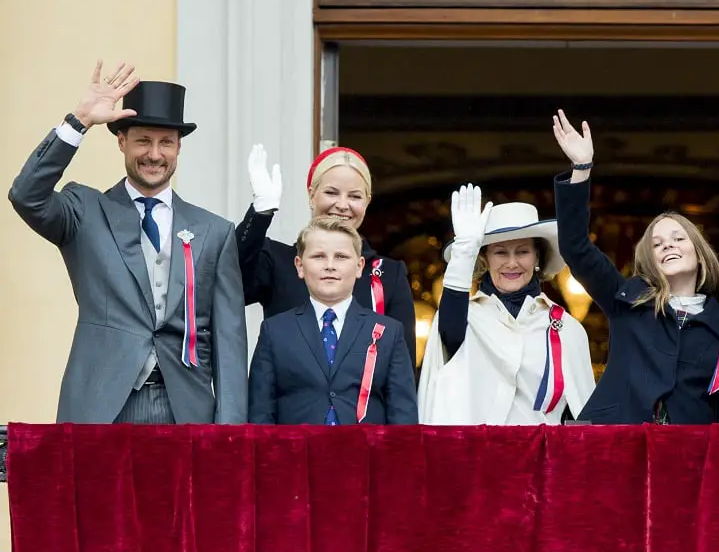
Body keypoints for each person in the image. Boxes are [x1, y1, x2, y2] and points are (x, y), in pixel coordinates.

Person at [8, 61, 248, 424]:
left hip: (186, 412)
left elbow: (229, 344)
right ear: (121, 141)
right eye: (143, 140)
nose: (154, 154)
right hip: (102, 408)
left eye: (165, 142)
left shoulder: (214, 231)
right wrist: (79, 121)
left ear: (179, 147)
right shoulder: (85, 211)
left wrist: (229, 435)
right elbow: (27, 196)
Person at [550, 110, 719, 425]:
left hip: (686, 459)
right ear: (651, 263)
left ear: (700, 255)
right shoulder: (628, 302)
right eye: (657, 244)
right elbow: (576, 248)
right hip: (616, 450)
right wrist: (581, 168)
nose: (668, 245)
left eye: (677, 238)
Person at [417, 184, 596, 424]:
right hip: (478, 458)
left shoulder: (567, 329)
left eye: (522, 252)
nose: (512, 263)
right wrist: (464, 253)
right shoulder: (464, 317)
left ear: (537, 257)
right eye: (500, 253)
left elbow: (581, 417)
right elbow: (450, 322)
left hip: (543, 460)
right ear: (484, 258)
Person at [237, 144, 416, 367]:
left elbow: (403, 366)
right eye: (331, 192)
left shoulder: (389, 274)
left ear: (367, 202)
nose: (342, 205)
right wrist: (260, 214)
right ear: (311, 195)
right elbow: (234, 281)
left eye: (355, 196)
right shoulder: (277, 260)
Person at [248, 216, 418, 425]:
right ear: (300, 266)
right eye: (319, 256)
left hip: (367, 456)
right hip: (294, 455)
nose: (330, 265)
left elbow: (403, 416)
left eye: (341, 257)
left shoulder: (389, 332)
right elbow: (260, 414)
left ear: (359, 266)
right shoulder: (274, 332)